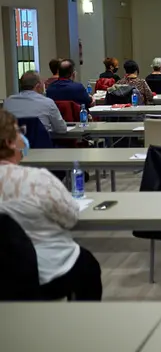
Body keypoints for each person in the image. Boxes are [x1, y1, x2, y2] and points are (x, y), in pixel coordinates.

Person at [0, 109, 102, 300]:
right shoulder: (37, 179)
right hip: (50, 271)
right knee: (89, 267)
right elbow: (70, 218)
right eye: (18, 131)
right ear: (9, 142)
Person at [2, 71, 67, 134]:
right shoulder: (48, 102)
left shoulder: (8, 102)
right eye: (42, 84)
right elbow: (61, 129)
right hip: (40, 144)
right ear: (38, 86)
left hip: (15, 143)